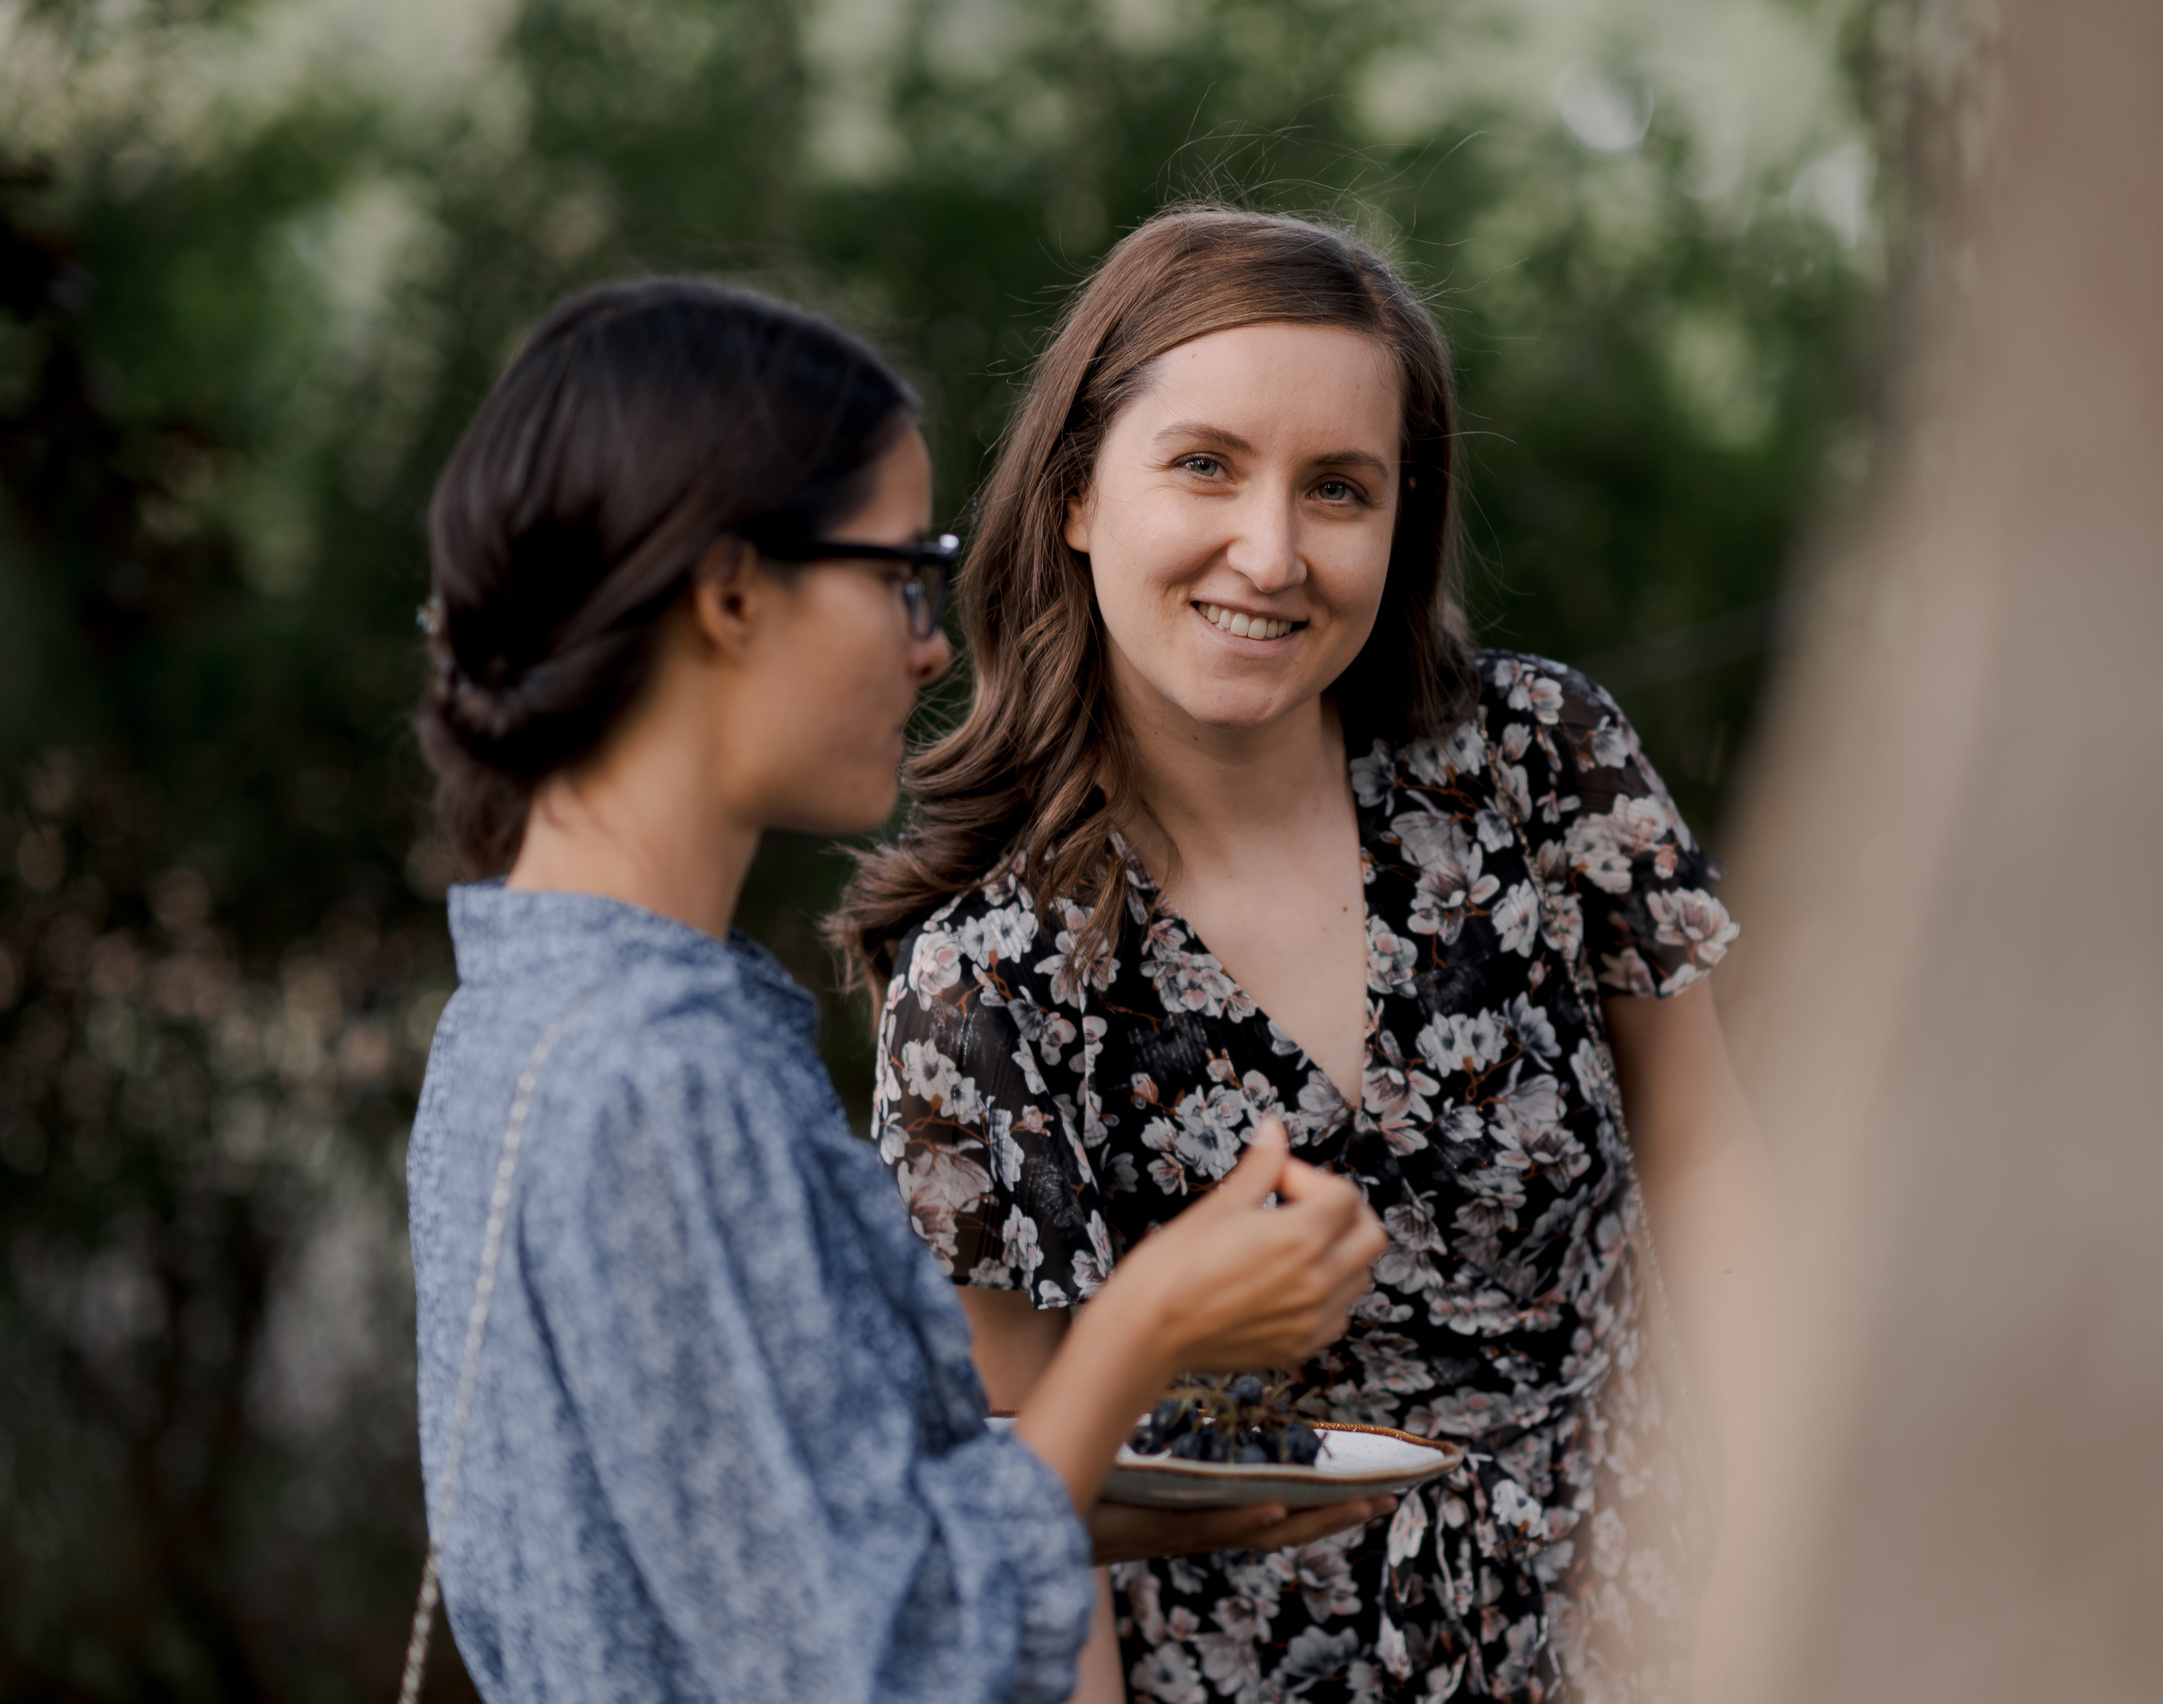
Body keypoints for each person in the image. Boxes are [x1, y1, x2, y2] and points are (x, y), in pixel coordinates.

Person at [405, 276, 1386, 1704]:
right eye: (898, 576)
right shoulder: (659, 1074)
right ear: (731, 590)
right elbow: (873, 1666)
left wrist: (1093, 1508)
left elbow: (746, 1560)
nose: (930, 644)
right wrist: (1142, 1330)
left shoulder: (521, 1008)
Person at [840, 209, 1774, 1703]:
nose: (1269, 553)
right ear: (1079, 493)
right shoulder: (991, 983)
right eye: (1204, 464)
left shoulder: (1542, 762)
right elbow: (1027, 1511)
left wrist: (1779, 1596)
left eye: (1339, 488)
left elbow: (1715, 1167)